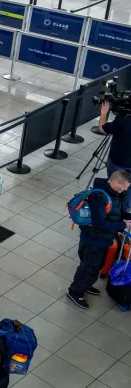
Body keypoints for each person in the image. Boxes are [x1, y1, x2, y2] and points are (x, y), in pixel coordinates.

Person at [67, 170, 130, 309]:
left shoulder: (115, 194)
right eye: (124, 187)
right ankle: (75, 292)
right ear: (114, 182)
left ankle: (87, 285)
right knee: (88, 267)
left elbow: (115, 212)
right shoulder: (98, 197)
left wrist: (127, 216)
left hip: (103, 239)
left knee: (97, 265)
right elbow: (100, 224)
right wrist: (123, 224)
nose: (125, 189)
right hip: (93, 239)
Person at [97, 99, 131, 176]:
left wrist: (103, 113)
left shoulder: (123, 121)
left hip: (120, 161)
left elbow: (102, 129)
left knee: (116, 184)